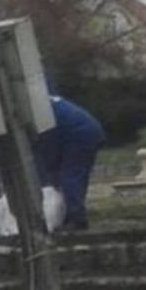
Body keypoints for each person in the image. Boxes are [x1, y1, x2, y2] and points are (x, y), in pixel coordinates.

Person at [33, 96, 107, 230]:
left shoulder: (38, 113)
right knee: (74, 176)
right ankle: (72, 214)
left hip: (80, 133)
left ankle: (77, 218)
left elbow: (48, 146)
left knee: (70, 176)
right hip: (86, 130)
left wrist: (48, 176)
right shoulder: (41, 102)